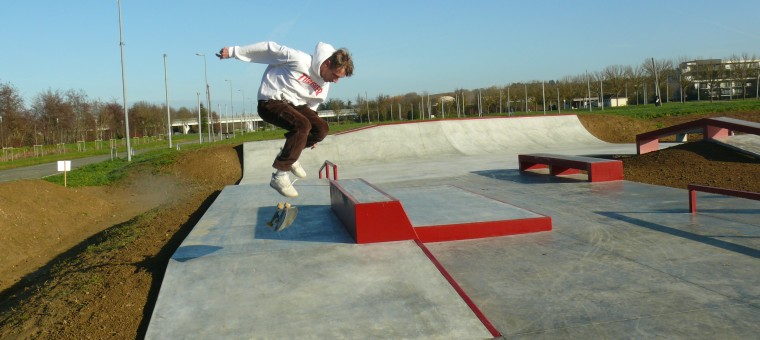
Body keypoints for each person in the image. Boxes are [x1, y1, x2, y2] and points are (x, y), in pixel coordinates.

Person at [216, 42, 354, 197]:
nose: (335, 81)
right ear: (327, 63)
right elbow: (268, 49)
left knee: (321, 129)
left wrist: (313, 134)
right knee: (303, 125)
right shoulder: (298, 59)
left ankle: (290, 156)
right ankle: (280, 176)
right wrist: (235, 52)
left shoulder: (324, 84)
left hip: (296, 106)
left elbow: (312, 106)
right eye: (335, 75)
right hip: (270, 101)